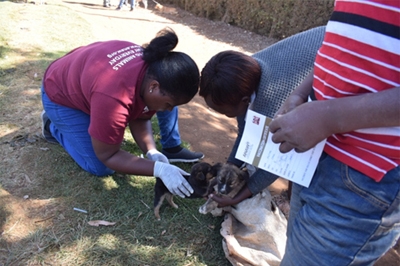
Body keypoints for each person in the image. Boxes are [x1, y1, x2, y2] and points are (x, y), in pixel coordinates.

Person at [200, 0, 400, 265]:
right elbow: (246, 134)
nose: (229, 117)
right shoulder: (243, 76)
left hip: (370, 167)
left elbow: (275, 162)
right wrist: (232, 166)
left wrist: (243, 191)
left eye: (227, 112)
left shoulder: (270, 98)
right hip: (325, 141)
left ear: (246, 100)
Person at [40, 27, 199, 198]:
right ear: (154, 87)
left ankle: (86, 117)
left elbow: (141, 115)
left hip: (83, 78)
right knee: (100, 167)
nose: (169, 110)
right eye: (169, 104)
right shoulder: (114, 97)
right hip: (59, 93)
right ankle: (52, 125)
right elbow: (107, 155)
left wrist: (152, 151)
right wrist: (159, 170)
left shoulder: (154, 68)